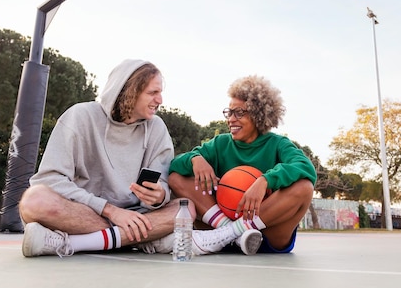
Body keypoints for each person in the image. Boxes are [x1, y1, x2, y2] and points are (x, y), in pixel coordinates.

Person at [19, 59, 257, 257]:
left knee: (185, 209)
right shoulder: (80, 117)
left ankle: (72, 242)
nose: (160, 100)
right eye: (153, 92)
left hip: (139, 215)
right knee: (34, 201)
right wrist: (111, 211)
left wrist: (159, 196)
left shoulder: (156, 129)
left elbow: (161, 186)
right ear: (130, 91)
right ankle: (146, 241)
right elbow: (49, 180)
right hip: (87, 210)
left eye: (160, 93)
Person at [168, 75, 317, 254]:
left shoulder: (278, 143)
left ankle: (230, 233)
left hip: (268, 231)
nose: (231, 119)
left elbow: (305, 167)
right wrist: (195, 159)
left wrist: (265, 181)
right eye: (229, 112)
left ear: (259, 115)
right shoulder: (220, 143)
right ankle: (232, 233)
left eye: (239, 113)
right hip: (223, 222)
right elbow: (174, 166)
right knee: (176, 178)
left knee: (304, 187)